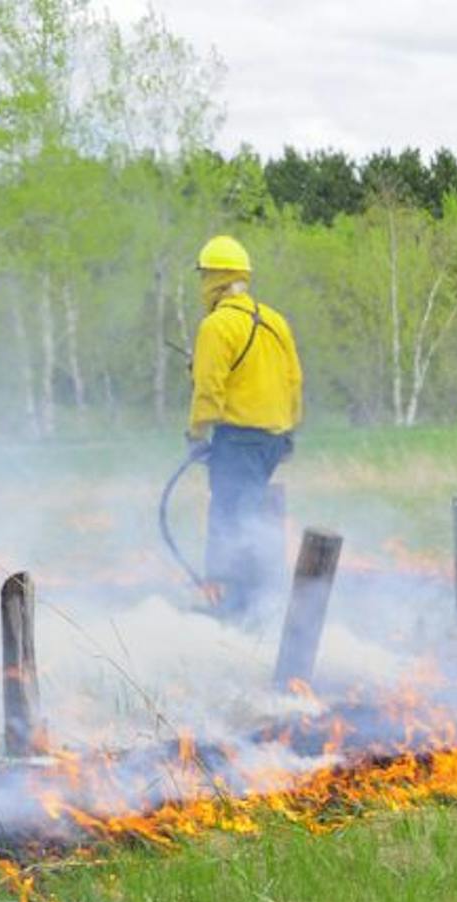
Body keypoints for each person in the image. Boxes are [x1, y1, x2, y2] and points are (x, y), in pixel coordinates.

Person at [187, 234, 302, 618]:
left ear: (213, 278)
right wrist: (288, 431)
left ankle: (239, 610)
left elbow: (209, 388)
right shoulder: (274, 320)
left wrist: (197, 434)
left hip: (237, 440)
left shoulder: (217, 326)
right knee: (249, 516)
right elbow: (293, 380)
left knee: (230, 520)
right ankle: (253, 602)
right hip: (273, 438)